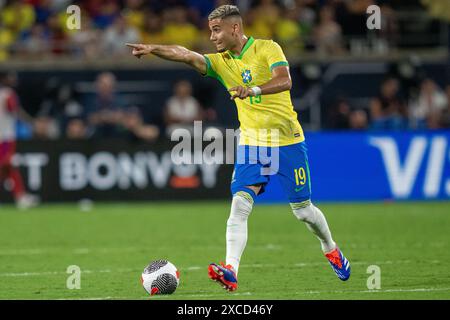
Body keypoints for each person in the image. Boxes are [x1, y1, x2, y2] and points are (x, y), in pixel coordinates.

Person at [126, 4, 350, 292]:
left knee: (303, 211)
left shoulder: (268, 48)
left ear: (235, 28)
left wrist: (253, 90)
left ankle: (329, 247)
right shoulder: (221, 62)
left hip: (287, 139)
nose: (212, 37)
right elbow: (186, 55)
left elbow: (286, 80)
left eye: (216, 30)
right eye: (210, 31)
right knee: (240, 205)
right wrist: (153, 48)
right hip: (254, 142)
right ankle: (231, 269)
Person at [0, 71, 39, 209]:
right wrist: (31, 123)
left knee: (8, 166)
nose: (14, 79)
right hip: (5, 137)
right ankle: (20, 197)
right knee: (7, 165)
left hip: (4, 136)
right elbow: (14, 111)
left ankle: (20, 196)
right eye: (11, 77)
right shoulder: (8, 94)